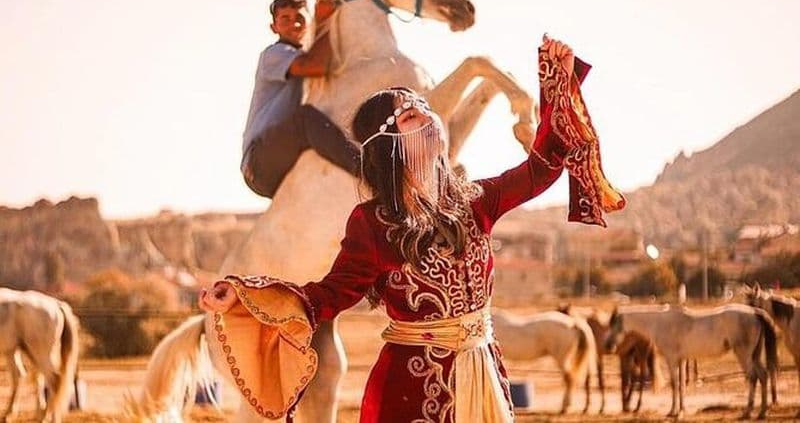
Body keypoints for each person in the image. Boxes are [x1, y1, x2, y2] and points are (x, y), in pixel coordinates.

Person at [202, 36, 625, 421]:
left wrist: (557, 83)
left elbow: (543, 167)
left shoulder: (476, 201)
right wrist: (243, 295)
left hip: (484, 376)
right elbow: (326, 296)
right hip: (411, 392)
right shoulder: (371, 225)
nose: (424, 111)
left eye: (422, 105)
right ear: (389, 145)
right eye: (408, 113)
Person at [241, 0, 361, 198]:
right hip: (259, 163)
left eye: (299, 19)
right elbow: (316, 66)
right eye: (285, 19)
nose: (294, 24)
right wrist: (325, 21)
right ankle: (367, 170)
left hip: (285, 154)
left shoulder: (305, 53)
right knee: (306, 118)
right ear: (274, 28)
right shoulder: (273, 54)